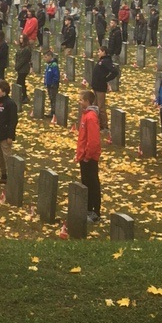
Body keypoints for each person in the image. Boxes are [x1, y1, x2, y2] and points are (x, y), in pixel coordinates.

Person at [76, 90, 102, 223]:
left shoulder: (91, 117)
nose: (79, 102)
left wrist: (87, 155)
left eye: (81, 100)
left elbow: (93, 140)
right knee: (86, 183)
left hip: (89, 157)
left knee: (92, 184)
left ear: (87, 101)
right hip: (84, 156)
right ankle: (87, 208)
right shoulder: (85, 115)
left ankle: (95, 212)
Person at [91, 47, 118, 132]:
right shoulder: (101, 60)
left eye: (99, 51)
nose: (98, 53)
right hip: (96, 86)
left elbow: (115, 71)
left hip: (100, 87)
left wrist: (106, 79)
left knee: (101, 107)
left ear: (104, 52)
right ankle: (97, 123)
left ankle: (105, 126)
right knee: (95, 106)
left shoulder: (106, 61)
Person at [14, 34, 31, 103]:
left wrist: (17, 66)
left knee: (20, 82)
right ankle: (23, 96)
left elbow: (24, 60)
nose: (20, 39)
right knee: (21, 82)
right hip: (20, 68)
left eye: (22, 38)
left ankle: (24, 96)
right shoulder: (21, 48)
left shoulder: (27, 49)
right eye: (20, 38)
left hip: (24, 69)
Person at [44, 51, 59, 117]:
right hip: (49, 84)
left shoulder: (54, 65)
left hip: (53, 85)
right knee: (51, 98)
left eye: (46, 57)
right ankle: (52, 112)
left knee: (53, 99)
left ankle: (54, 112)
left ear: (50, 56)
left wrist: (54, 83)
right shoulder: (48, 64)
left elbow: (56, 75)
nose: (44, 58)